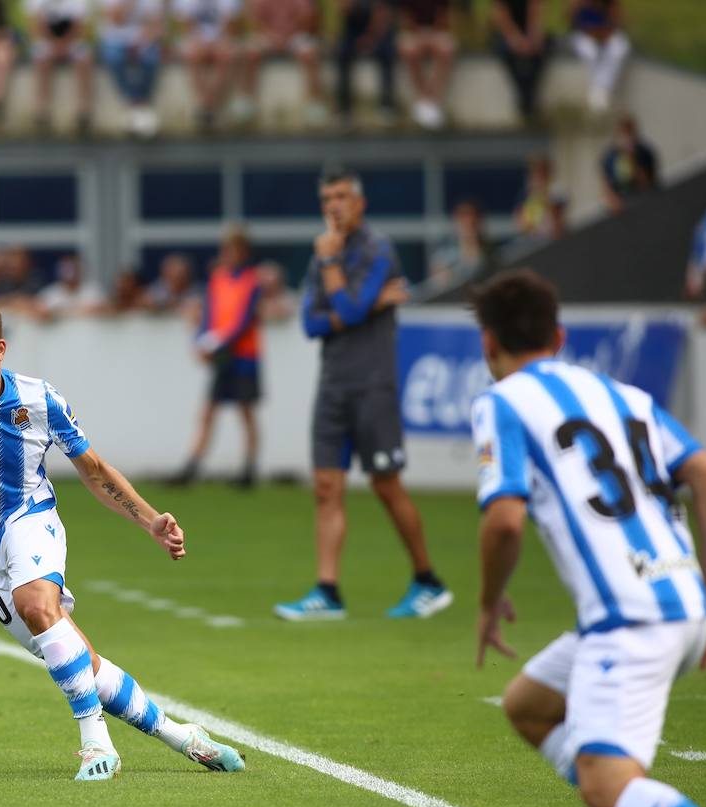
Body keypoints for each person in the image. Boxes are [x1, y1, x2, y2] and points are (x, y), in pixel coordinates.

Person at [468, 269, 706, 807]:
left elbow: (504, 521)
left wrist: (489, 601)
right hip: (682, 601)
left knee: (604, 783)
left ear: (488, 342)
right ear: (559, 336)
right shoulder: (624, 395)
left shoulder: (503, 402)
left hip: (629, 618)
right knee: (528, 705)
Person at [0, 292, 248, 781]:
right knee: (76, 659)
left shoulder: (39, 399)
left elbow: (93, 470)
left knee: (35, 603)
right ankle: (181, 735)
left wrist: (150, 520)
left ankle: (95, 743)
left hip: (28, 519)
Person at [276, 168, 450, 621]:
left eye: (341, 196)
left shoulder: (376, 249)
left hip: (373, 385)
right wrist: (369, 302)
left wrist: (337, 274)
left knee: (386, 485)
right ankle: (328, 591)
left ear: (359, 203)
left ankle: (428, 579)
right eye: (326, 198)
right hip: (333, 384)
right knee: (326, 487)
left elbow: (349, 310)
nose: (332, 206)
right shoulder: (322, 254)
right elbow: (311, 323)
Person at [170, 227, 262, 489]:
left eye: (232, 250)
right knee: (208, 410)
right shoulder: (218, 279)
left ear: (243, 252)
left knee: (245, 411)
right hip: (222, 355)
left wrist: (218, 341)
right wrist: (202, 340)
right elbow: (209, 315)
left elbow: (244, 320)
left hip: (243, 354)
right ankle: (192, 466)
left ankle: (249, 468)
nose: (228, 255)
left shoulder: (252, 281)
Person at [240, 0, 326, 129]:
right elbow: (255, 20)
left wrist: (288, 34)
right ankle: (247, 101)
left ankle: (315, 103)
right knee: (250, 52)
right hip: (267, 36)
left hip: (294, 36)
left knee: (310, 53)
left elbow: (307, 17)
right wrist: (272, 36)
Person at [97, 0, 163, 138]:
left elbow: (155, 24)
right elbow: (115, 19)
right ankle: (131, 102)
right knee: (114, 59)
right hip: (114, 41)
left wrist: (142, 41)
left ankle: (142, 102)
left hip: (143, 40)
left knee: (151, 58)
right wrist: (128, 4)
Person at [27, 0, 94, 135]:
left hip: (72, 41)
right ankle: (41, 108)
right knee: (40, 59)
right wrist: (54, 44)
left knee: (85, 59)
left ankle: (83, 108)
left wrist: (64, 44)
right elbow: (35, 26)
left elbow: (80, 27)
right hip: (47, 41)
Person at [173, 0, 239, 130]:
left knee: (225, 55)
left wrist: (215, 43)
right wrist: (202, 43)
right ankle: (207, 104)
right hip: (195, 40)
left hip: (221, 40)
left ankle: (209, 104)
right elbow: (186, 27)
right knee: (193, 55)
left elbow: (230, 26)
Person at [334, 0, 396, 127]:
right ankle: (344, 108)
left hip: (378, 33)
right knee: (342, 54)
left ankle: (386, 104)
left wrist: (371, 38)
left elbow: (383, 15)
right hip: (353, 33)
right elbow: (343, 10)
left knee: (387, 53)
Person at [397, 0, 453, 130]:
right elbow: (406, 19)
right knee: (409, 51)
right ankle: (423, 97)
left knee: (447, 50)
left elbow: (443, 18)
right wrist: (420, 35)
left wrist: (430, 35)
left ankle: (433, 98)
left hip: (436, 32)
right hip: (415, 32)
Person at [491, 0, 549, 121]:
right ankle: (525, 98)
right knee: (505, 53)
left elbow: (535, 10)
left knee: (541, 51)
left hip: (527, 32)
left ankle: (529, 97)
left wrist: (532, 36)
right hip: (507, 34)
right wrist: (515, 38)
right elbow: (501, 14)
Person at [569, 0, 627, 115]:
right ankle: (597, 92)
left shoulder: (610, 3)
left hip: (604, 35)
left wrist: (604, 32)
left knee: (618, 48)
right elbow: (573, 21)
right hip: (583, 35)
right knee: (590, 52)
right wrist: (579, 6)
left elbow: (618, 23)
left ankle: (600, 90)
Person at [430, 198, 498, 287]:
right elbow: (440, 287)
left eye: (472, 221)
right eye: (462, 219)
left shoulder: (492, 253)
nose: (467, 222)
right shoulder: (442, 257)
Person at [600, 115, 659, 213]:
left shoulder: (645, 153)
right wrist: (613, 201)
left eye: (629, 134)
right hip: (620, 208)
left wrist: (632, 159)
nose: (626, 140)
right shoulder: (610, 157)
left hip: (643, 205)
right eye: (623, 135)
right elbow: (605, 186)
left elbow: (648, 186)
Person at [36, 254, 105, 318]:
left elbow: (107, 309)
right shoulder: (50, 293)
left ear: (80, 269)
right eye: (66, 268)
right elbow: (37, 310)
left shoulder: (94, 290)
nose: (70, 272)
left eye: (73, 268)